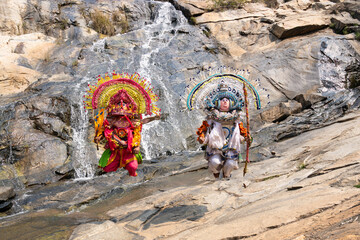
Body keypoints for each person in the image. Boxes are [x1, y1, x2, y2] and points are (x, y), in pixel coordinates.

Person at [84, 72, 160, 177]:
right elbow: (104, 127)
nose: (121, 110)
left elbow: (141, 122)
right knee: (107, 168)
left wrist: (153, 118)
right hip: (114, 148)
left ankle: (133, 178)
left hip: (128, 148)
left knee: (133, 168)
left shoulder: (131, 121)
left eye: (123, 106)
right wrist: (99, 136)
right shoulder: (112, 120)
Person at [195, 84, 249, 179]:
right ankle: (216, 174)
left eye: (227, 100)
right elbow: (203, 131)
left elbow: (242, 134)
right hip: (215, 148)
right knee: (215, 162)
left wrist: (246, 138)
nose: (224, 102)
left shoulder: (236, 120)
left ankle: (226, 175)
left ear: (231, 103)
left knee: (230, 163)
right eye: (222, 100)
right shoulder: (211, 119)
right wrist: (202, 138)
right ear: (217, 102)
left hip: (231, 148)